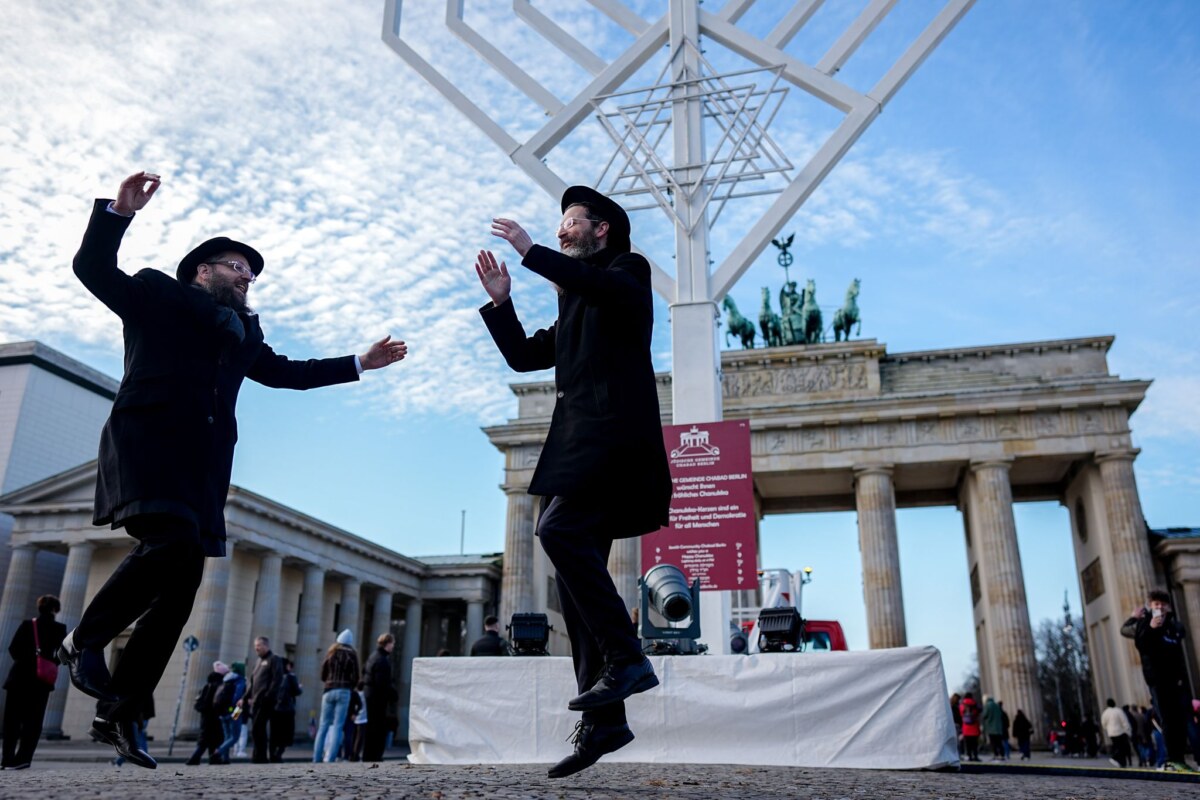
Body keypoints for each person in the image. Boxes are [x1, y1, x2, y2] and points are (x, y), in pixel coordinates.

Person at [57, 171, 408, 769]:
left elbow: (286, 373)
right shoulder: (158, 296)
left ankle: (116, 710)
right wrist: (117, 214)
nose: (246, 276)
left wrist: (359, 362)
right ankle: (82, 639)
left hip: (203, 467)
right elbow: (93, 269)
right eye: (236, 267)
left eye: (251, 272)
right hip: (149, 443)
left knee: (181, 586)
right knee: (169, 544)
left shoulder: (243, 333)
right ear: (202, 271)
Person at [477, 186, 671, 779]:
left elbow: (601, 286)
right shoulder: (576, 306)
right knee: (571, 581)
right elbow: (523, 357)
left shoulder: (628, 272)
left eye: (570, 222)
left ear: (601, 228)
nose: (561, 230)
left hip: (611, 444)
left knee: (556, 530)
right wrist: (502, 303)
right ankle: (605, 718)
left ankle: (627, 656)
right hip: (584, 451)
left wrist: (531, 252)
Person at [1121, 589, 1196, 772]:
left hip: (1176, 680)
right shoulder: (1145, 623)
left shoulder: (1174, 626)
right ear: (1150, 606)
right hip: (1158, 680)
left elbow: (1178, 649)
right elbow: (1141, 644)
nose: (1160, 608)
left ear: (1168, 607)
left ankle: (1179, 759)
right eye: (1156, 604)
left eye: (1162, 605)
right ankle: (1172, 760)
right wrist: (1150, 627)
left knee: (1180, 720)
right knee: (1168, 719)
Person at [2, 595, 67, 769]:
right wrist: (50, 663)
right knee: (33, 721)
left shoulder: (27, 625)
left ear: (40, 608)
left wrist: (27, 661)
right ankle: (24, 758)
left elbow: (13, 649)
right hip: (41, 682)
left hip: (18, 678)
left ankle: (7, 759)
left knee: (12, 720)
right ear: (55, 610)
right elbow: (63, 655)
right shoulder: (59, 628)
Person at [313, 629, 359, 763]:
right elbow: (356, 676)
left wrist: (328, 681)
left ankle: (316, 758)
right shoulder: (352, 654)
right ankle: (331, 758)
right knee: (338, 726)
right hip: (344, 690)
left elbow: (323, 673)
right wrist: (350, 686)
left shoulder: (331, 653)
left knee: (323, 725)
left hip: (328, 689)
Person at [241, 636, 285, 763]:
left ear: (266, 646)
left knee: (259, 726)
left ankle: (261, 756)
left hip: (266, 700)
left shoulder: (274, 659)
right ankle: (258, 755)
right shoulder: (258, 662)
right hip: (255, 700)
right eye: (255, 646)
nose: (256, 648)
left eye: (259, 645)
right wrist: (245, 697)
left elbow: (277, 679)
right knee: (256, 729)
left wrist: (269, 696)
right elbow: (252, 682)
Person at [186, 661, 228, 766]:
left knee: (207, 737)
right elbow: (222, 703)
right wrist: (231, 714)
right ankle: (195, 758)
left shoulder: (207, 685)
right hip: (215, 716)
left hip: (205, 716)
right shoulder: (220, 686)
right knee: (212, 738)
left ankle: (212, 758)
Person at [363, 633, 397, 761]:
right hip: (377, 698)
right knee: (378, 727)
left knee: (371, 727)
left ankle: (368, 755)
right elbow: (383, 683)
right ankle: (375, 755)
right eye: (392, 643)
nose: (393, 646)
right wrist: (393, 694)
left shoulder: (373, 656)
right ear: (387, 644)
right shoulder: (382, 660)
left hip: (370, 695)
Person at [213, 661, 247, 764]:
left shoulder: (226, 679)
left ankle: (226, 758)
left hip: (222, 711)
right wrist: (235, 709)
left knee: (227, 736)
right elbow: (237, 696)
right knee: (235, 736)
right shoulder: (240, 680)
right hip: (235, 710)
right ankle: (219, 751)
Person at [270, 659, 301, 762]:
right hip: (287, 710)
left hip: (275, 709)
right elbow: (297, 691)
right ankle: (278, 755)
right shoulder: (290, 677)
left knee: (274, 733)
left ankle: (272, 755)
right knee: (286, 734)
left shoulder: (274, 676)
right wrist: (299, 687)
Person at [1101, 697, 1132, 767]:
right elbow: (1124, 721)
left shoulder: (1105, 713)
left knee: (1117, 746)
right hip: (1120, 732)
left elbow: (1103, 723)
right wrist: (1128, 731)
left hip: (1111, 733)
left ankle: (1120, 761)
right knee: (1122, 747)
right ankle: (1121, 761)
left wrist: (1107, 729)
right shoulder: (1119, 711)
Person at [959, 692, 981, 762]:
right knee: (975, 743)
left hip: (966, 727)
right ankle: (975, 756)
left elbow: (961, 714)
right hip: (974, 727)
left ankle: (969, 756)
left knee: (967, 744)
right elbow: (979, 711)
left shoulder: (962, 704)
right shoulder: (975, 703)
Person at [981, 695, 1004, 760]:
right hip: (998, 728)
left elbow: (984, 715)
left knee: (993, 742)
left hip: (991, 727)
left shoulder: (987, 705)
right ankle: (1002, 754)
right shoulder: (997, 705)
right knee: (999, 742)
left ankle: (996, 754)